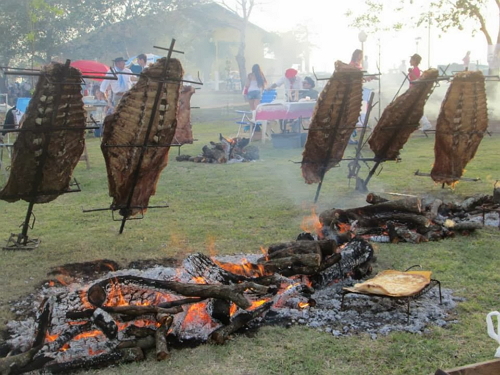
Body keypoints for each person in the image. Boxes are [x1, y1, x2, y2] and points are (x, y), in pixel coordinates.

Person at [408, 53, 431, 131]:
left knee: (415, 108)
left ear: (414, 61)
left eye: (411, 60)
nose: (410, 61)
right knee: (412, 108)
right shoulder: (415, 69)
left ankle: (426, 123)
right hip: (412, 90)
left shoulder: (416, 69)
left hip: (414, 90)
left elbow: (417, 79)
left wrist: (411, 72)